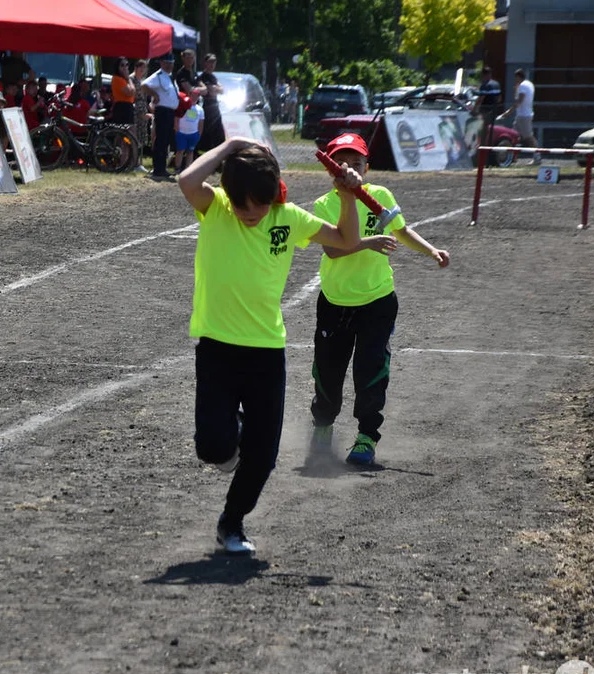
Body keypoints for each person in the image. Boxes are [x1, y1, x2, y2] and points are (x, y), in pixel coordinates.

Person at [176, 136, 367, 555]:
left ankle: (232, 522)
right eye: (243, 205)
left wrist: (348, 195)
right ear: (230, 195)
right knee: (213, 447)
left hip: (266, 352)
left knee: (263, 457)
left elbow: (346, 241)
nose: (251, 214)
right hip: (217, 349)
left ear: (274, 195)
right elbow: (186, 180)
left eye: (259, 206)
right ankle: (235, 434)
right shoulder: (217, 208)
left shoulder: (287, 216)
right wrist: (229, 147)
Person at [307, 132, 449, 466]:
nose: (350, 168)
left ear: (366, 167)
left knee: (371, 371)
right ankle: (323, 428)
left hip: (377, 302)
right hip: (336, 302)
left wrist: (431, 251)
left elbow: (400, 230)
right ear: (332, 170)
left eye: (357, 162)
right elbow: (332, 248)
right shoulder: (324, 204)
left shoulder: (380, 195)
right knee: (327, 373)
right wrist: (368, 242)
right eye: (342, 163)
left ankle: (366, 437)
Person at [140, 54, 180, 179]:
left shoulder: (169, 77)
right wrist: (155, 95)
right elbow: (144, 85)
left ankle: (162, 167)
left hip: (170, 112)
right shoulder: (158, 75)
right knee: (161, 140)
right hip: (162, 111)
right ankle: (158, 169)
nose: (169, 65)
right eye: (167, 63)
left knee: (166, 140)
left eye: (171, 63)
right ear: (161, 63)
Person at [498, 68, 538, 163]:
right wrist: (516, 88)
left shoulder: (523, 86)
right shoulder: (528, 84)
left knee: (528, 137)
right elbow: (518, 98)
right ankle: (512, 157)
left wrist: (507, 113)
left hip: (524, 116)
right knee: (513, 135)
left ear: (518, 77)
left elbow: (519, 101)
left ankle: (537, 157)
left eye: (515, 78)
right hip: (522, 115)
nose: (515, 80)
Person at [197, 54, 224, 152]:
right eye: (210, 62)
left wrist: (216, 89)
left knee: (218, 133)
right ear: (205, 63)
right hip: (207, 106)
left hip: (215, 107)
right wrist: (216, 89)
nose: (212, 64)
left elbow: (222, 90)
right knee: (208, 132)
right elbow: (211, 91)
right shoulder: (203, 77)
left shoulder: (213, 77)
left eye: (214, 62)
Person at [174, 83, 203, 173]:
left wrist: (199, 134)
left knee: (190, 152)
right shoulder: (183, 105)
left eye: (197, 95)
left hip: (193, 134)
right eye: (193, 95)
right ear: (189, 95)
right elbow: (177, 118)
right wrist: (176, 129)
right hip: (181, 132)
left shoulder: (200, 109)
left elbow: (201, 122)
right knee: (180, 151)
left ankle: (188, 170)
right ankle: (177, 169)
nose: (195, 97)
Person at [473, 67, 501, 151]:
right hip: (494, 110)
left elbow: (481, 98)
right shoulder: (496, 84)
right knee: (490, 129)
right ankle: (489, 147)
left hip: (485, 111)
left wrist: (474, 109)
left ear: (483, 75)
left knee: (482, 131)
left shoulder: (485, 85)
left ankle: (482, 149)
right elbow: (500, 98)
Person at [131, 59, 151, 173]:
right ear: (136, 67)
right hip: (135, 110)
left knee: (142, 136)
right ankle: (134, 162)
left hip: (143, 108)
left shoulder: (142, 80)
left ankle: (139, 162)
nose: (142, 70)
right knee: (135, 136)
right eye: (141, 68)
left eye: (144, 68)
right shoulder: (132, 79)